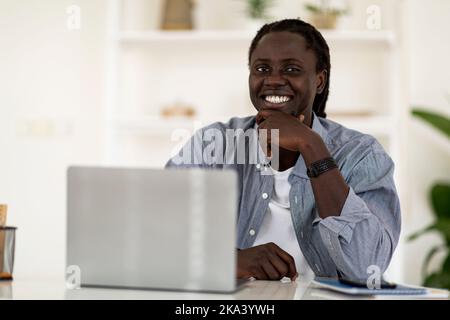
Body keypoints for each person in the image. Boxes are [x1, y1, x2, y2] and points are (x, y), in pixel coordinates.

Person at [166, 18, 401, 282]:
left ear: (320, 80)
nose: (274, 80)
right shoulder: (214, 144)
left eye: (291, 69)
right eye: (262, 68)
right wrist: (228, 260)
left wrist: (311, 146)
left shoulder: (361, 155)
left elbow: (368, 266)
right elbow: (156, 236)